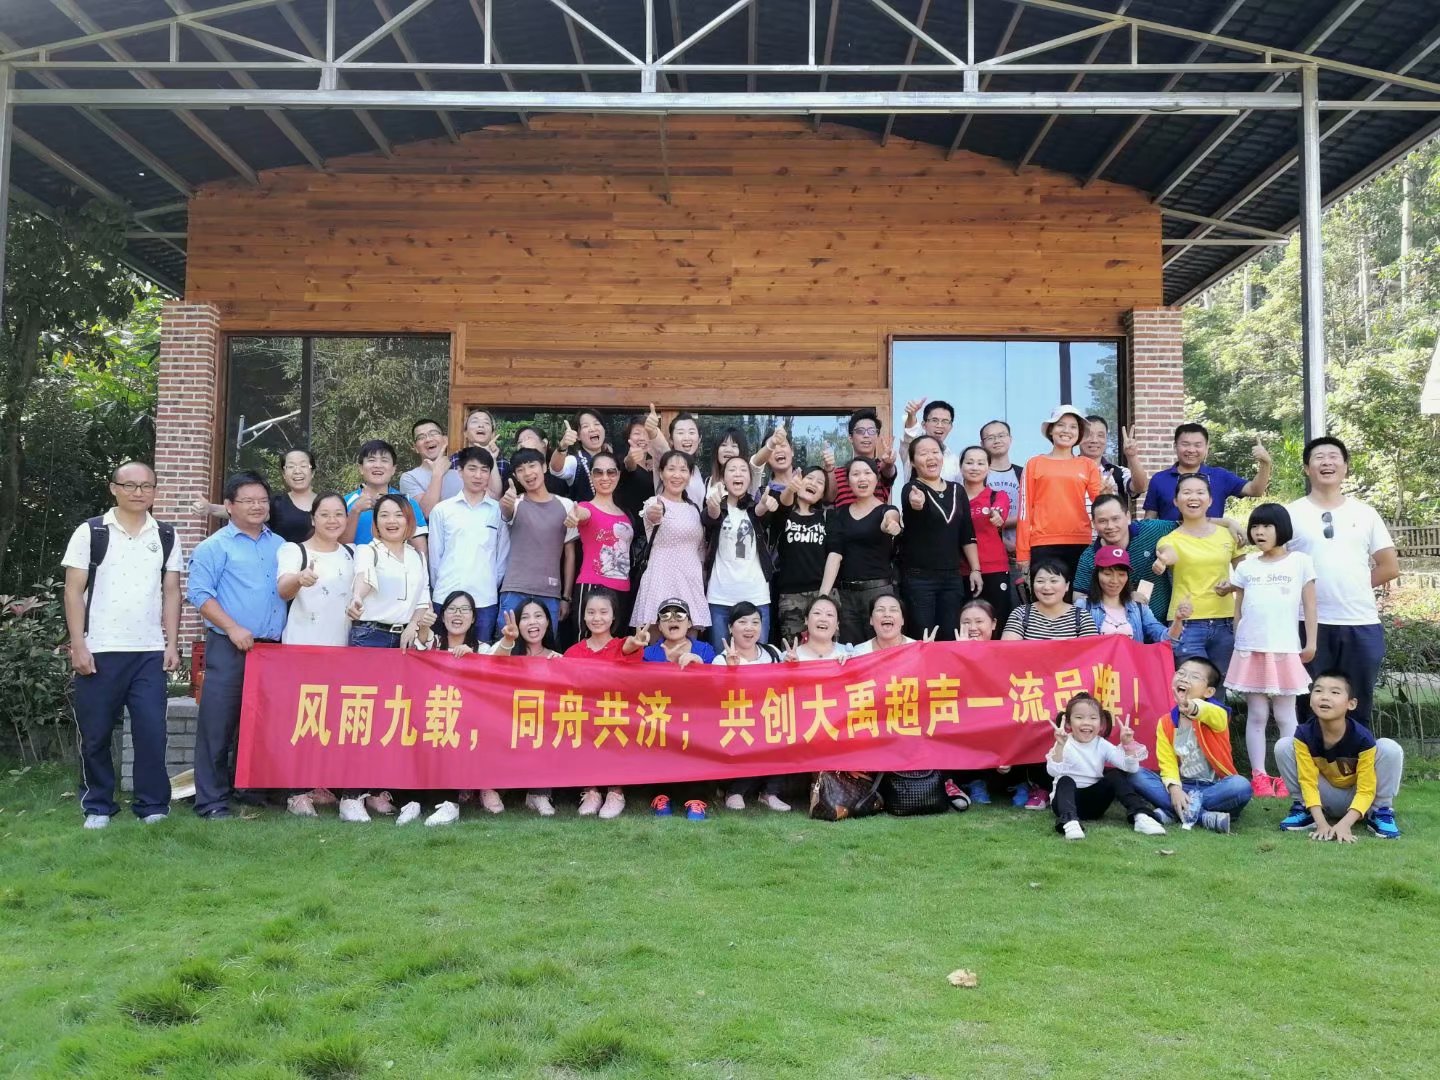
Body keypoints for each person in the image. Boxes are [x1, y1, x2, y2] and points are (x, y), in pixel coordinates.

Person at [63, 461, 182, 829]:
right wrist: (78, 644)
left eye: (146, 486)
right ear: (113, 488)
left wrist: (172, 643)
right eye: (129, 485)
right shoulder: (92, 532)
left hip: (148, 651)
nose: (138, 492)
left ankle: (152, 805)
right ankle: (98, 805)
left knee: (151, 732)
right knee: (96, 733)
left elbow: (172, 591)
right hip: (99, 648)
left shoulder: (165, 534)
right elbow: (73, 591)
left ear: (155, 491)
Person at [186, 471, 288, 820]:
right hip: (230, 645)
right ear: (229, 506)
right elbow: (199, 594)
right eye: (248, 500)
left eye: (262, 500)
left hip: (272, 649)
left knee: (260, 724)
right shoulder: (214, 546)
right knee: (218, 724)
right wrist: (232, 627)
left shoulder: (280, 546)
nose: (257, 506)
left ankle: (250, 791)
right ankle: (212, 801)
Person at [1286, 436, 1399, 727]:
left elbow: (1389, 566)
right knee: (1309, 704)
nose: (1327, 462)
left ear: (1346, 467)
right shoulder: (1290, 514)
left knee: (1357, 702)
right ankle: (1311, 756)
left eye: (1334, 456)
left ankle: (1356, 755)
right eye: (1319, 457)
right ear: (1306, 469)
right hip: (1307, 623)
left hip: (1360, 622)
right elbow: (1276, 563)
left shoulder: (1365, 513)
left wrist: (1353, 585)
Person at [1226, 503, 1317, 800]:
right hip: (1251, 649)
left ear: (1282, 529)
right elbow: (1238, 609)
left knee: (1286, 715)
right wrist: (1239, 639)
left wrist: (1311, 642)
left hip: (1284, 648)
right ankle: (1259, 776)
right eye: (1255, 526)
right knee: (1256, 714)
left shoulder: (1300, 562)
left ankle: (1289, 776)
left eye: (1266, 526)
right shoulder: (1247, 566)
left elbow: (1310, 605)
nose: (1259, 532)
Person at [275, 491, 356, 819]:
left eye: (339, 514)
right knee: (301, 720)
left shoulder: (352, 553)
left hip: (341, 649)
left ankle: (320, 783)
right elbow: (283, 589)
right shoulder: (294, 551)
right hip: (303, 649)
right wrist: (299, 578)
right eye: (325, 514)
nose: (332, 520)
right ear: (313, 518)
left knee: (330, 720)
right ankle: (295, 792)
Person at [1276, 671, 1403, 840]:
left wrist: (1345, 824)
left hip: (1359, 797)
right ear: (1311, 700)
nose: (1324, 697)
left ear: (1351, 704)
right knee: (1284, 745)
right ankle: (1306, 809)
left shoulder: (1362, 738)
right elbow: (1307, 781)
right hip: (1324, 797)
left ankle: (1380, 811)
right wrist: (1322, 824)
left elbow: (1366, 789)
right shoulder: (1304, 734)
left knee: (1389, 747)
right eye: (1318, 690)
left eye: (1335, 692)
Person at [1132, 657, 1253, 834]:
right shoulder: (1165, 722)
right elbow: (1167, 763)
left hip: (1215, 788)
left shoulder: (1217, 714)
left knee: (1240, 785)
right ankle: (1204, 817)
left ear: (1209, 691)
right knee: (1135, 773)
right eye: (1181, 673)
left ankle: (1173, 811)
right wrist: (1174, 789)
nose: (1185, 679)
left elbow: (1209, 712)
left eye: (1194, 677)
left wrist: (1193, 707)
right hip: (1183, 787)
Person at [564, 588, 648, 820]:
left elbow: (629, 646)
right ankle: (591, 790)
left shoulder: (622, 646)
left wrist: (635, 642)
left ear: (613, 616)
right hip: (585, 718)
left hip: (617, 716)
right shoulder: (573, 652)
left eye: (603, 612)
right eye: (591, 612)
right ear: (583, 616)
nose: (597, 618)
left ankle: (615, 791)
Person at [1046, 693, 1167, 840]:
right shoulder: (1064, 743)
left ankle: (1141, 815)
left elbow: (1131, 768)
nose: (1086, 723)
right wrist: (1059, 745)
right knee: (1065, 780)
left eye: (1093, 718)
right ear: (1068, 723)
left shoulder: (1102, 744)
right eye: (1079, 717)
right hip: (1065, 804)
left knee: (1115, 774)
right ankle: (1070, 822)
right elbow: (1052, 771)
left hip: (1094, 806)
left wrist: (1128, 745)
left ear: (1101, 723)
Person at [1153, 473, 1239, 674]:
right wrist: (1162, 560)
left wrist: (1232, 586)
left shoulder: (1228, 534)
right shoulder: (1170, 539)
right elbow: (1169, 553)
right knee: (1190, 683)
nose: (1193, 497)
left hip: (1226, 621)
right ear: (1176, 501)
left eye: (1200, 492)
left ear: (1210, 500)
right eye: (1186, 492)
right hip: (1186, 623)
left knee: (1220, 684)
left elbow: (1246, 575)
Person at [898, 435, 982, 640]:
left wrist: (975, 569)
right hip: (919, 579)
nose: (931, 457)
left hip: (952, 578)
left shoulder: (957, 490)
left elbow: (967, 533)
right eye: (923, 453)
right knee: (923, 637)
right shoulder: (912, 489)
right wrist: (916, 503)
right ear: (913, 461)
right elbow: (912, 504)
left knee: (951, 636)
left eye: (935, 452)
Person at [713, 601, 791, 812]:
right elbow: (717, 699)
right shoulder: (721, 659)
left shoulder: (773, 653)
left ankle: (770, 793)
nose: (749, 628)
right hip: (739, 722)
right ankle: (735, 791)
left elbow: (788, 686)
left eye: (755, 622)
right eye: (743, 622)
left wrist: (793, 666)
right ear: (730, 628)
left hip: (770, 718)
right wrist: (731, 672)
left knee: (783, 729)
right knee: (755, 732)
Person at [426, 446, 509, 643]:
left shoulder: (498, 511)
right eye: (472, 468)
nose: (478, 475)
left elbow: (502, 558)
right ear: (460, 471)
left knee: (481, 654)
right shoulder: (442, 510)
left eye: (484, 470)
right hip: (446, 596)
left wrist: (489, 584)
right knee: (441, 652)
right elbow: (435, 558)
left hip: (484, 599)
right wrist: (442, 586)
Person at [818, 457, 902, 644]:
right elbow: (835, 554)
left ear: (876, 478)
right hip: (846, 595)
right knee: (850, 650)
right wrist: (823, 595)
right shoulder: (839, 514)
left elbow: (890, 518)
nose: (862, 478)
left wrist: (891, 524)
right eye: (855, 474)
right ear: (848, 482)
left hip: (879, 593)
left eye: (867, 473)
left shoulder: (887, 510)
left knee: (882, 648)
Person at [1016, 404, 1102, 585]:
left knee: (1078, 598)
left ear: (1079, 433)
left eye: (1073, 427)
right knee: (1046, 597)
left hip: (1080, 541)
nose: (1066, 431)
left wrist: (1107, 495)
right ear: (1051, 430)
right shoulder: (1034, 463)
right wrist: (1022, 552)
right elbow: (1024, 511)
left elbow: (1100, 505)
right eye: (1060, 425)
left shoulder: (1087, 465)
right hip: (1042, 543)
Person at [495, 598, 563, 817]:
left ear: (548, 622)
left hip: (542, 727)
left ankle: (539, 793)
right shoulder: (506, 650)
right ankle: (491, 788)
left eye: (538, 616)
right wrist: (508, 639)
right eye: (525, 617)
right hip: (508, 722)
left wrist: (562, 669)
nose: (532, 622)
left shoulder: (556, 658)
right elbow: (490, 669)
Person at [498, 447, 578, 629]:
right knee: (507, 642)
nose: (527, 473)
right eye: (520, 470)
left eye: (532, 466)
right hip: (515, 589)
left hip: (550, 592)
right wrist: (506, 503)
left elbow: (570, 554)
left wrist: (566, 596)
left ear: (544, 467)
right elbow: (506, 512)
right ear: (515, 476)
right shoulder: (515, 503)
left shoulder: (565, 505)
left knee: (545, 645)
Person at [703, 456, 777, 648]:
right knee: (722, 656)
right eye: (732, 469)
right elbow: (711, 518)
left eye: (743, 470)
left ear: (750, 479)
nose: (738, 473)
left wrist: (766, 505)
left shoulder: (753, 507)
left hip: (756, 596)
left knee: (758, 656)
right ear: (723, 478)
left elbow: (760, 512)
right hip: (720, 597)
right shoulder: (716, 505)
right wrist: (713, 505)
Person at [631, 451, 709, 633]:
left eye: (683, 470)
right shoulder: (654, 503)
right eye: (671, 469)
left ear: (690, 476)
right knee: (654, 641)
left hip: (691, 582)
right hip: (660, 580)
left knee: (689, 643)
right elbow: (651, 515)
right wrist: (654, 513)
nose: (677, 475)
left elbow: (700, 549)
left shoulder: (694, 509)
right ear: (661, 473)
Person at [345, 494, 434, 652]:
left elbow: (423, 600)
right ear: (376, 522)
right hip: (370, 636)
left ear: (409, 520)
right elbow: (364, 576)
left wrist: (413, 625)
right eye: (384, 515)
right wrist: (357, 597)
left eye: (399, 515)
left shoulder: (418, 556)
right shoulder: (367, 550)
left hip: (406, 638)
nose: (391, 521)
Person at [1073, 494, 1179, 624]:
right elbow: (1078, 598)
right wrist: (1123, 598)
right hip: (1116, 629)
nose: (1110, 526)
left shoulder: (1152, 530)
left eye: (1115, 519)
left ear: (1128, 517)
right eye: (1102, 521)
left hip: (1162, 625)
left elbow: (1184, 527)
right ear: (1094, 524)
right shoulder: (1090, 557)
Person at [1142, 422, 1272, 522]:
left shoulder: (1220, 476)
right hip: (1171, 547)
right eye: (1185, 444)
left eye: (1197, 445)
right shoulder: (1159, 479)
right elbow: (1149, 520)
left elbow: (1255, 490)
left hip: (1212, 546)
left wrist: (1265, 464)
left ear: (1206, 448)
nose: (1191, 450)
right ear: (1175, 446)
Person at [569, 450, 636, 637]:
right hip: (593, 586)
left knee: (616, 646)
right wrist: (574, 515)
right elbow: (580, 514)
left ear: (618, 475)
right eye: (598, 472)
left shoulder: (625, 514)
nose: (605, 477)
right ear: (591, 476)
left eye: (611, 472)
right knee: (586, 644)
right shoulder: (586, 507)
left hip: (622, 588)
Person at [192, 447, 317, 544]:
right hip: (285, 567)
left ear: (312, 472)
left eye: (303, 465)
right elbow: (241, 510)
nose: (297, 471)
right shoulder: (276, 503)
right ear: (284, 474)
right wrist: (210, 508)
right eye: (291, 466)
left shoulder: (325, 501)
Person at [769, 466, 830, 643]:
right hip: (791, 596)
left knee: (826, 648)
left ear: (822, 494)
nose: (814, 483)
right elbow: (783, 505)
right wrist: (790, 489)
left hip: (822, 592)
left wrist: (824, 595)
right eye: (809, 478)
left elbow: (834, 555)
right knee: (793, 650)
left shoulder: (826, 517)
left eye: (820, 482)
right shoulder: (784, 514)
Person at [1074, 547, 1181, 644]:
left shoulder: (1139, 608)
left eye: (1121, 574)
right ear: (1096, 575)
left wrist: (1178, 620)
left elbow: (1164, 638)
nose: (1114, 581)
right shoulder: (1083, 606)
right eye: (1107, 574)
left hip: (1133, 660)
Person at [342, 439, 428, 555]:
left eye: (384, 460)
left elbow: (421, 551)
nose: (378, 465)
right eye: (371, 460)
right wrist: (355, 511)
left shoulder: (407, 503)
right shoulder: (344, 503)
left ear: (393, 469)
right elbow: (339, 547)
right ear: (361, 468)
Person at [960, 444, 1013, 630]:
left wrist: (997, 515)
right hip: (960, 571)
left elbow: (1000, 510)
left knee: (997, 624)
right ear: (961, 466)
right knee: (965, 626)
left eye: (981, 463)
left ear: (988, 467)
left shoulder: (997, 496)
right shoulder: (953, 498)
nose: (975, 467)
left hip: (994, 569)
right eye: (969, 462)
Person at [1002, 559, 1098, 641]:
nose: (1046, 587)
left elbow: (1092, 652)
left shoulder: (1082, 617)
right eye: (1040, 581)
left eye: (1054, 581)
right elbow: (1009, 650)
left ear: (1067, 586)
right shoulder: (1021, 614)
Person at [825, 408, 897, 506]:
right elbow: (829, 498)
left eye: (872, 431)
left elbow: (888, 472)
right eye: (860, 431)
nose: (866, 435)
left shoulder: (881, 468)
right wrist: (829, 470)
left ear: (877, 437)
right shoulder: (837, 473)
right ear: (850, 438)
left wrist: (889, 463)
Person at [980, 419, 1023, 569]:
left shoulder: (1023, 474)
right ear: (982, 444)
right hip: (989, 554)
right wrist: (1004, 543)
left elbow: (1035, 511)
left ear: (1010, 439)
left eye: (1001, 435)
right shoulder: (978, 475)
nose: (997, 441)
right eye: (990, 437)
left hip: (1023, 553)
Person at [399, 417, 463, 517]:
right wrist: (437, 474)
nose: (428, 439)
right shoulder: (409, 477)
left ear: (445, 440)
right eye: (421, 437)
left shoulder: (462, 474)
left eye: (433, 433)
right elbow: (426, 513)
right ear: (415, 448)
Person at [1079, 416, 1149, 503]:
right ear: (1079, 438)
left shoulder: (1119, 473)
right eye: (1088, 435)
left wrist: (1132, 456)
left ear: (1106, 440)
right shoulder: (1067, 470)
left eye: (1100, 435)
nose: (1094, 440)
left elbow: (1141, 488)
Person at [645, 408, 708, 503]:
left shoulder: (696, 470)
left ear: (699, 439)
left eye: (691, 432)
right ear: (671, 440)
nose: (687, 438)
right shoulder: (667, 460)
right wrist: (652, 430)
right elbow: (660, 447)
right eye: (680, 433)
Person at [549, 407, 609, 502]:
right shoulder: (575, 461)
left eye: (597, 424)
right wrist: (562, 446)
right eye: (585, 426)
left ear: (604, 430)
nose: (592, 429)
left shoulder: (612, 459)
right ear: (578, 436)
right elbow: (556, 469)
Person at [900, 399, 960, 482]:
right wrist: (911, 415)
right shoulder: (912, 448)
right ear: (924, 425)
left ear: (951, 427)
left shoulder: (954, 461)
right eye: (934, 420)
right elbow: (910, 433)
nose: (939, 425)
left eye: (945, 421)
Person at [850, 591, 929, 655]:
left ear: (902, 620)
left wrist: (930, 653)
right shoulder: (858, 653)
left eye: (893, 610)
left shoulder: (919, 650)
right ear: (871, 620)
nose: (887, 614)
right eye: (880, 610)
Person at [781, 593, 852, 663]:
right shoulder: (789, 657)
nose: (823, 619)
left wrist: (849, 664)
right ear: (806, 620)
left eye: (829, 614)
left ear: (837, 624)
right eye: (817, 613)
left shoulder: (848, 653)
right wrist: (788, 667)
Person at [615, 415, 657, 527]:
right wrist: (631, 458)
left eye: (647, 433)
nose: (642, 438)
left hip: (651, 529)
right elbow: (629, 466)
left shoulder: (653, 466)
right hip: (631, 530)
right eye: (637, 433)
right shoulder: (620, 462)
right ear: (628, 437)